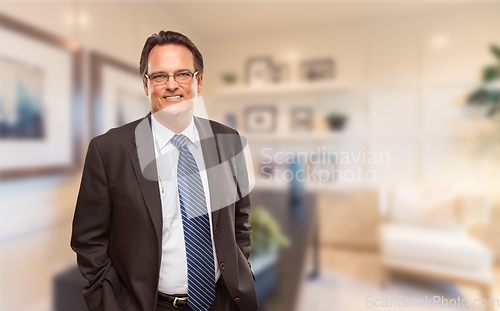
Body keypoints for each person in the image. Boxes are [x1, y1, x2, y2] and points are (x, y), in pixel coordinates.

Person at [71, 30, 258, 311]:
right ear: (147, 86)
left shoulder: (228, 143)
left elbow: (239, 223)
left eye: (183, 74)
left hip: (223, 300)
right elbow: (88, 241)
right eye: (160, 76)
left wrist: (238, 272)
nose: (172, 85)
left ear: (198, 82)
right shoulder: (109, 150)